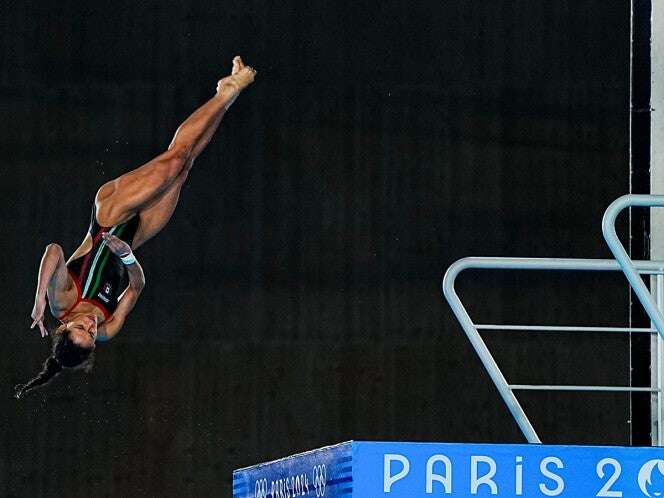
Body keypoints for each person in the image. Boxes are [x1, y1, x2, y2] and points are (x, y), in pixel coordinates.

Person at [14, 56, 257, 399]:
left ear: (64, 326)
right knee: (185, 164)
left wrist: (39, 297)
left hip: (110, 215)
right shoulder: (108, 331)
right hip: (136, 235)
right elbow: (137, 286)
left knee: (173, 160)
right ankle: (226, 97)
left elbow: (54, 250)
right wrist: (128, 258)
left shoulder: (62, 302)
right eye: (90, 334)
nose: (91, 325)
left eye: (81, 327)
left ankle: (226, 91)